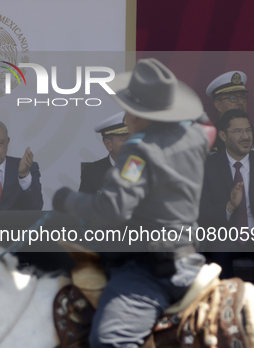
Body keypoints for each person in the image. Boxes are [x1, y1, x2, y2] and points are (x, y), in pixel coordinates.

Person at [53, 58, 210, 347]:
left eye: (130, 107)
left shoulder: (140, 151)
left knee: (110, 341)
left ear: (140, 113)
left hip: (151, 269)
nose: (127, 114)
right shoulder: (194, 138)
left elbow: (111, 210)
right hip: (186, 256)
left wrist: (66, 199)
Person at [199, 109, 254, 283]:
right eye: (238, 131)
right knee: (220, 247)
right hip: (225, 234)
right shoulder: (208, 167)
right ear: (222, 135)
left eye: (248, 130)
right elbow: (202, 214)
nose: (245, 136)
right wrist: (229, 206)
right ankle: (227, 302)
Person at [206, 70, 254, 157]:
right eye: (233, 97)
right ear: (218, 105)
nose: (241, 102)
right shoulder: (206, 139)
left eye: (242, 97)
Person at [79, 111, 130, 195]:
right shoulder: (92, 172)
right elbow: (83, 206)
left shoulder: (151, 169)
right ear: (108, 144)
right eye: (126, 139)